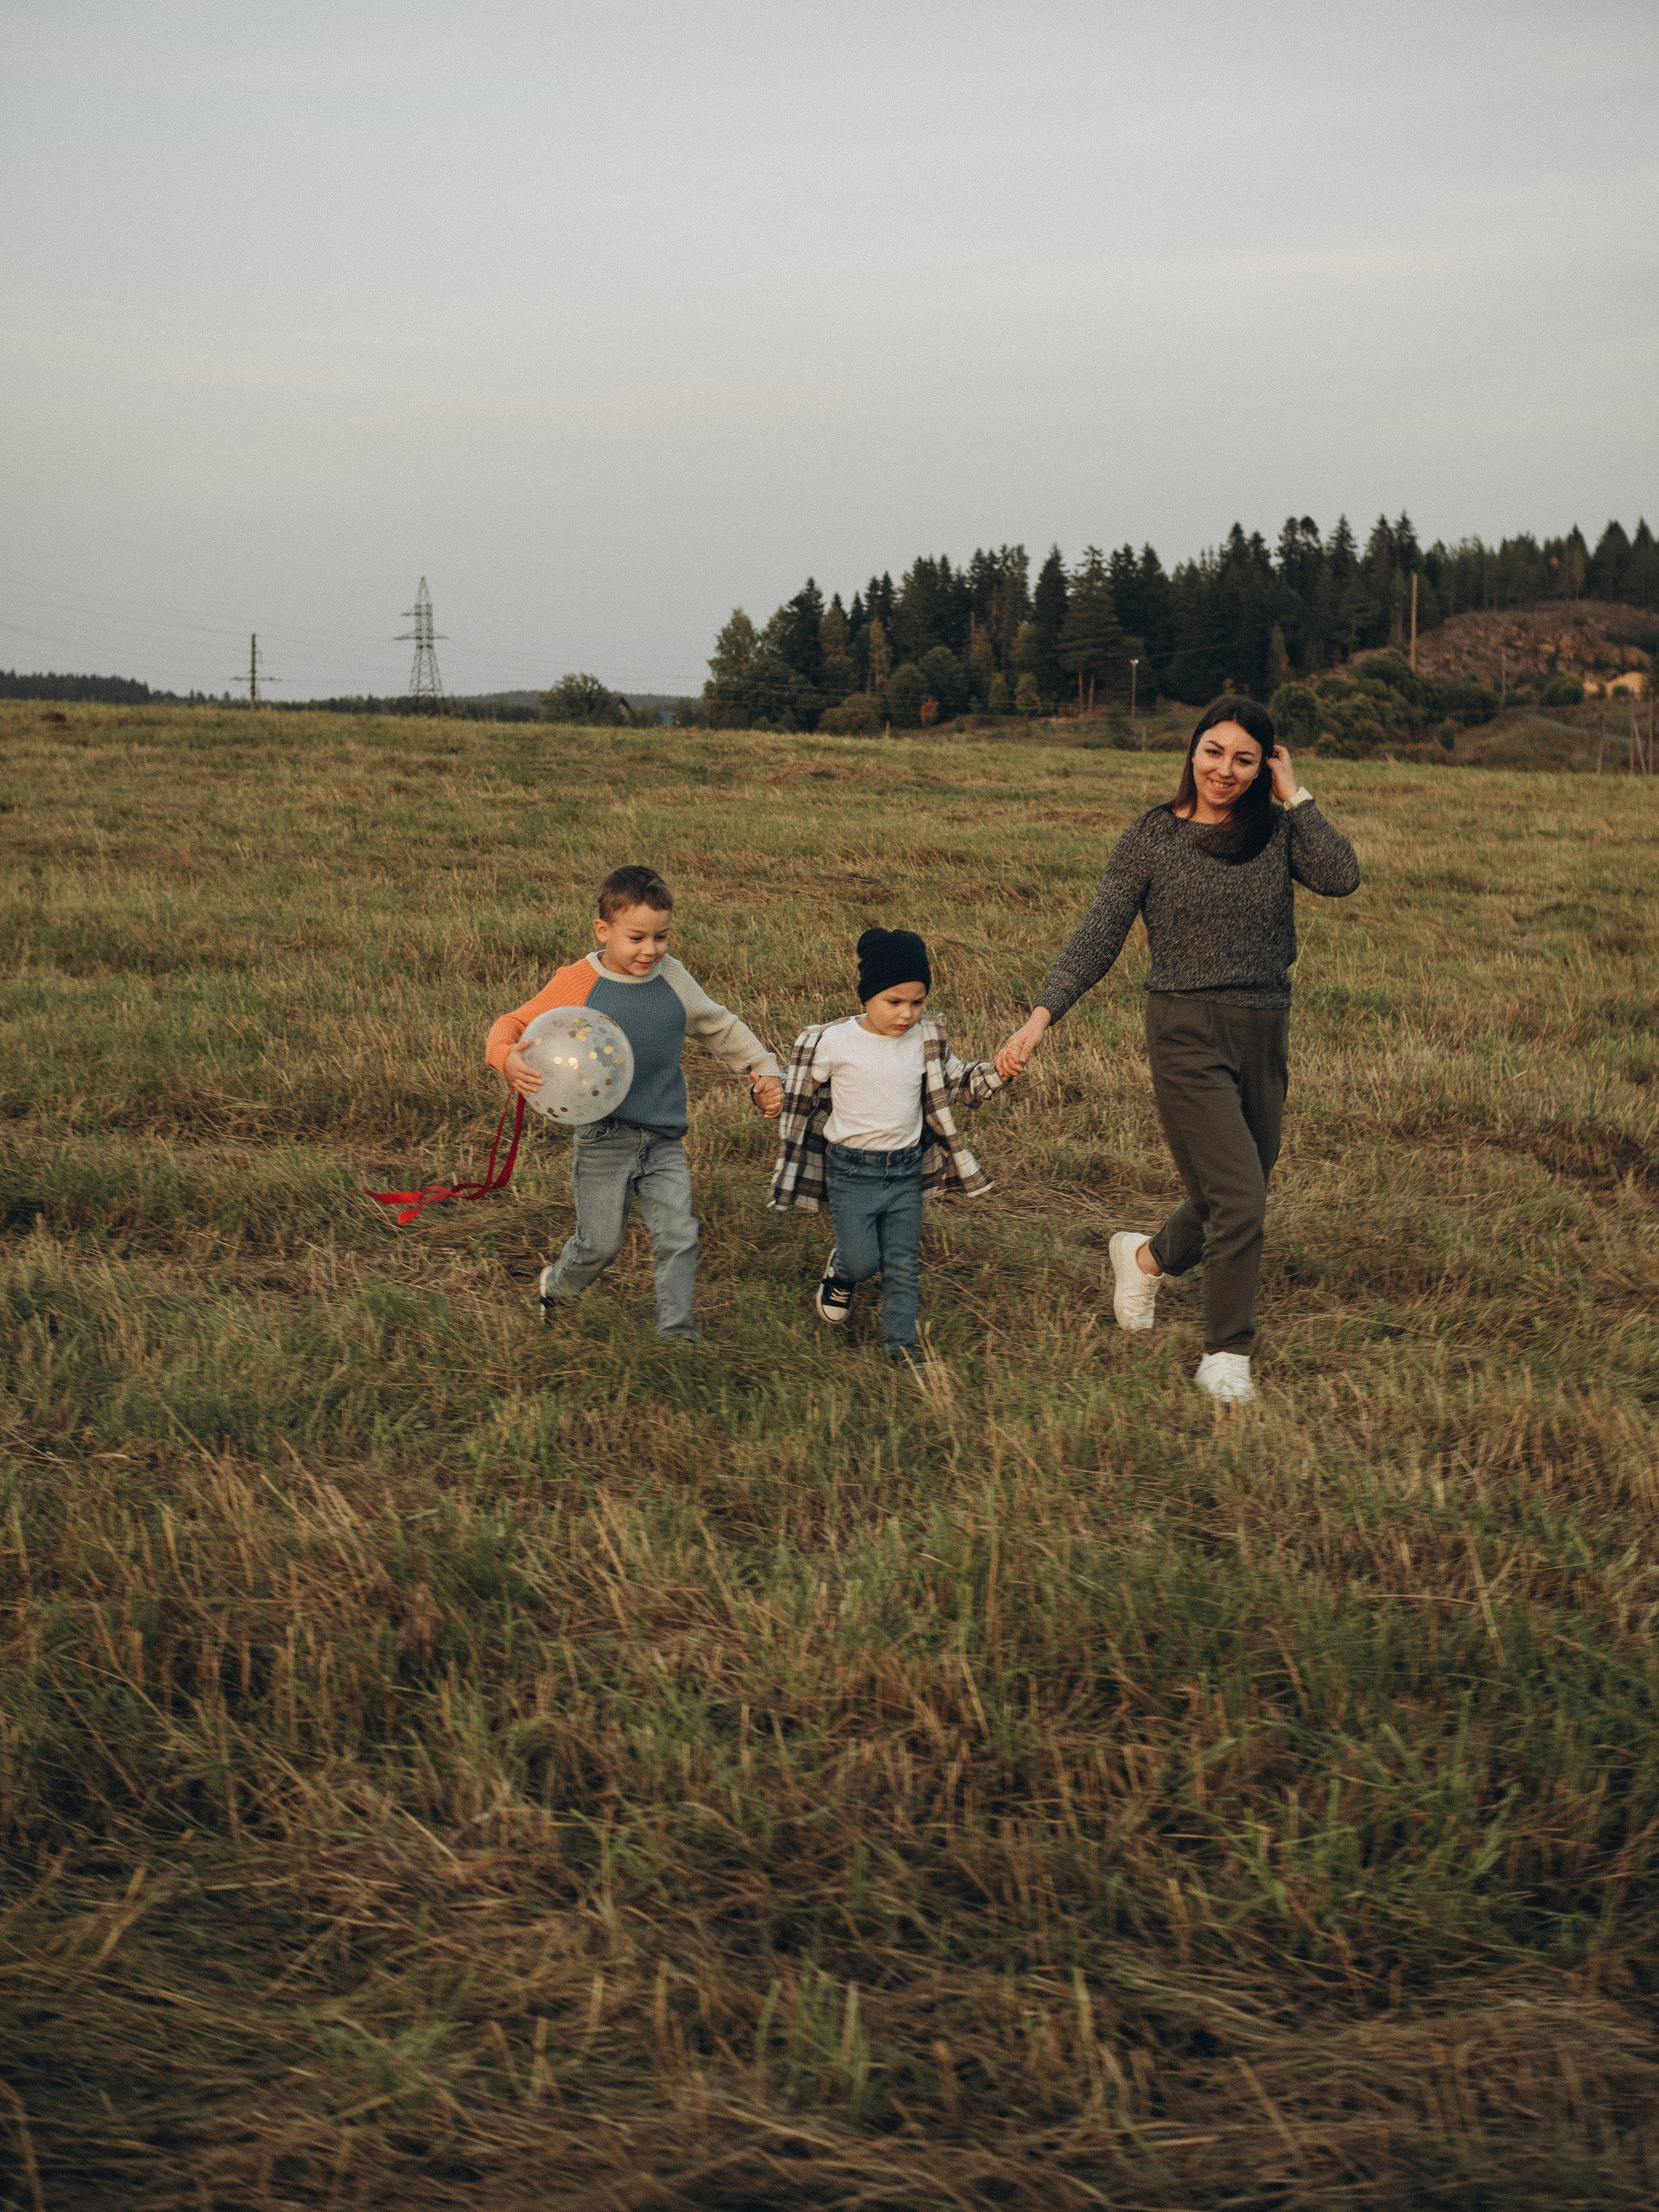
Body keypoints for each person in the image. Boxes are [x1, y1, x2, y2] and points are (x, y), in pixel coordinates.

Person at [997, 697, 1360, 1403]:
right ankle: (1226, 1352)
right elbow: (1099, 933)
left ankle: (1144, 1258)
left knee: (1232, 1191)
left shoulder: (1277, 832)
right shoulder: (1152, 837)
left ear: (1265, 767)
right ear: (1192, 750)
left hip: (1263, 1026)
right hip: (1184, 1030)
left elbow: (1341, 876)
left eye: (1245, 758)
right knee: (1241, 1197)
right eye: (1214, 751)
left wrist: (1299, 797)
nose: (1225, 769)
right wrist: (1039, 1018)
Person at [487, 865, 783, 1344]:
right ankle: (558, 1286)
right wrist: (503, 1056)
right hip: (605, 1137)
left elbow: (718, 1026)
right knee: (600, 1245)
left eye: (661, 937)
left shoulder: (673, 977)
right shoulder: (579, 981)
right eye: (637, 937)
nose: (651, 950)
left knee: (678, 1236)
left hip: (663, 1137)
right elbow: (513, 1023)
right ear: (603, 931)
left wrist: (762, 1066)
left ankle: (677, 1336)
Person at [770, 927, 1014, 1366]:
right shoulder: (834, 1042)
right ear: (867, 995)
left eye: (917, 1002)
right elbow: (793, 1088)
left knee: (902, 1264)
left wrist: (999, 1071)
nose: (906, 1014)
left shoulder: (926, 1037)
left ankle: (900, 1346)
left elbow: (959, 1082)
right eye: (894, 1001)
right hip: (850, 1170)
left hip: (904, 1171)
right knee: (864, 1261)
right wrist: (767, 1093)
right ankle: (843, 1270)